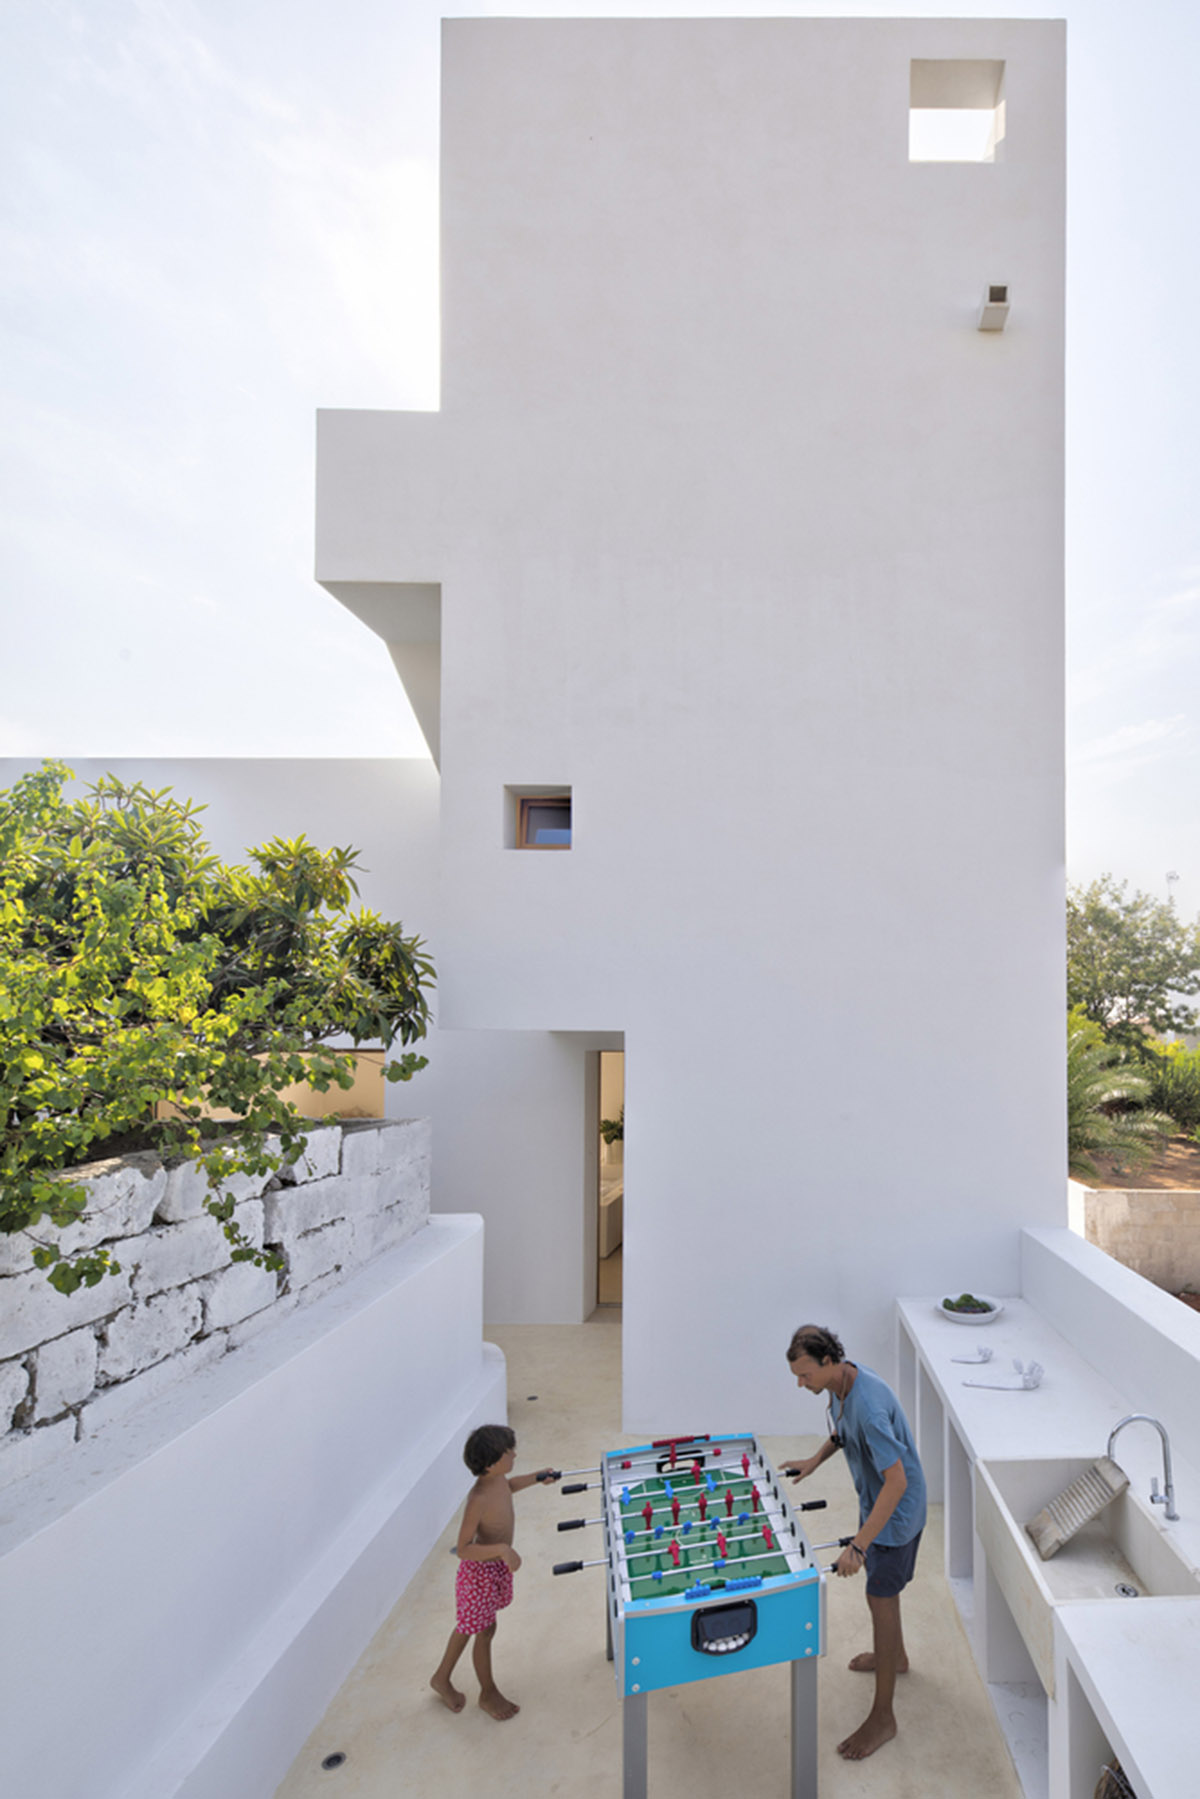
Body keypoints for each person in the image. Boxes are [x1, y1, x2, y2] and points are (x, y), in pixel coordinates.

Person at [780, 1323, 926, 1762]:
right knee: (884, 1594)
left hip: (894, 1518)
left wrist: (860, 1546)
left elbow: (896, 1482)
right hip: (878, 1508)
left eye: (805, 1375)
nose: (801, 1384)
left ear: (828, 1362)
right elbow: (843, 1433)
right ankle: (895, 1657)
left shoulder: (870, 1407)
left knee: (879, 1596)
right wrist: (815, 1460)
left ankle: (884, 1717)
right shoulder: (843, 1382)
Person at [429, 1423, 560, 1721]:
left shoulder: (498, 1481)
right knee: (483, 1631)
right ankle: (487, 1693)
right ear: (490, 1463)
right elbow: (462, 1548)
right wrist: (502, 1549)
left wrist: (538, 1478)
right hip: (478, 1575)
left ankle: (441, 1677)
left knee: (471, 1627)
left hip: (492, 1571)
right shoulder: (478, 1499)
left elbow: (510, 1487)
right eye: (508, 1452)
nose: (514, 1453)